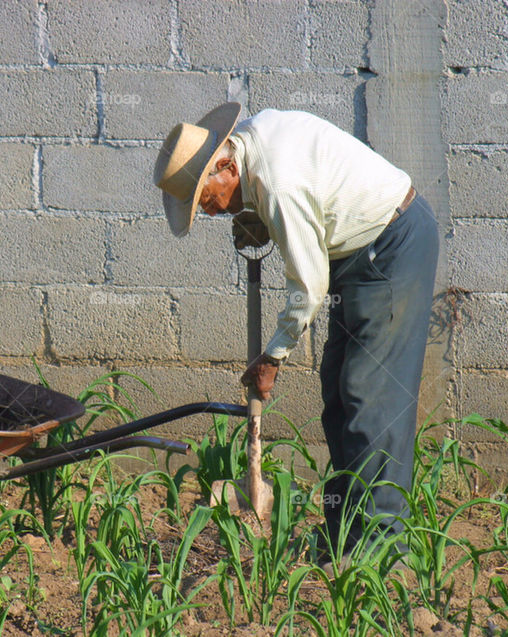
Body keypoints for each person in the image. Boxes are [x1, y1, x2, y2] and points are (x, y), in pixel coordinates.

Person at [153, 102, 439, 571]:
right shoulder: (248, 145)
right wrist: (257, 213)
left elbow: (308, 287)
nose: (209, 211)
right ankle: (344, 531)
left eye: (205, 199)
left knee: (370, 400)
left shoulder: (277, 182)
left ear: (225, 166)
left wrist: (272, 358)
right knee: (338, 393)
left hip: (391, 249)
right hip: (358, 258)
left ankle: (384, 550)